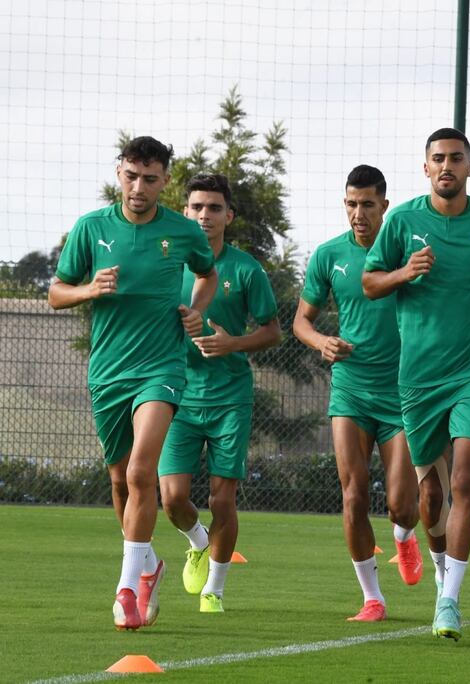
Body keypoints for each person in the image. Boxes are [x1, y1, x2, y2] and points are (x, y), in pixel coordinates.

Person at [48, 136, 218, 630]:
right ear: (118, 174)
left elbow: (206, 275)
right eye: (130, 175)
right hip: (107, 373)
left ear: (165, 181)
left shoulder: (183, 232)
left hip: (161, 369)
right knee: (121, 481)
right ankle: (148, 565)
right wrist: (89, 288)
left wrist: (197, 311)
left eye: (149, 178)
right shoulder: (91, 228)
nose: (137, 187)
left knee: (144, 473)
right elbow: (56, 293)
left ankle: (127, 593)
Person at [363, 128, 470, 640]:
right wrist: (404, 272)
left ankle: (450, 601)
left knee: (465, 479)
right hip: (419, 376)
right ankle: (439, 568)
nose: (447, 166)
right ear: (426, 168)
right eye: (438, 159)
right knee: (427, 494)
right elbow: (370, 283)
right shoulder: (404, 221)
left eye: (456, 158)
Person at [294, 165, 423, 622]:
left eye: (367, 204)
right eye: (351, 204)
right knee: (352, 494)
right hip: (350, 388)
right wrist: (321, 342)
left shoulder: (409, 253)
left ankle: (405, 538)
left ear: (384, 206)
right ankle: (372, 598)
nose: (358, 213)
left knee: (402, 504)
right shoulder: (329, 256)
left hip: (403, 391)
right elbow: (301, 321)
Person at [158, 174, 280, 614]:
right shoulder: (169, 265)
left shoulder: (246, 269)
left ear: (229, 215)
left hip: (230, 398)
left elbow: (272, 331)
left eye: (213, 208)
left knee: (221, 499)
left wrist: (233, 343)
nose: (204, 215)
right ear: (185, 212)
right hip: (176, 394)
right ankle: (196, 541)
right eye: (196, 207)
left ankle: (215, 588)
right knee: (171, 499)